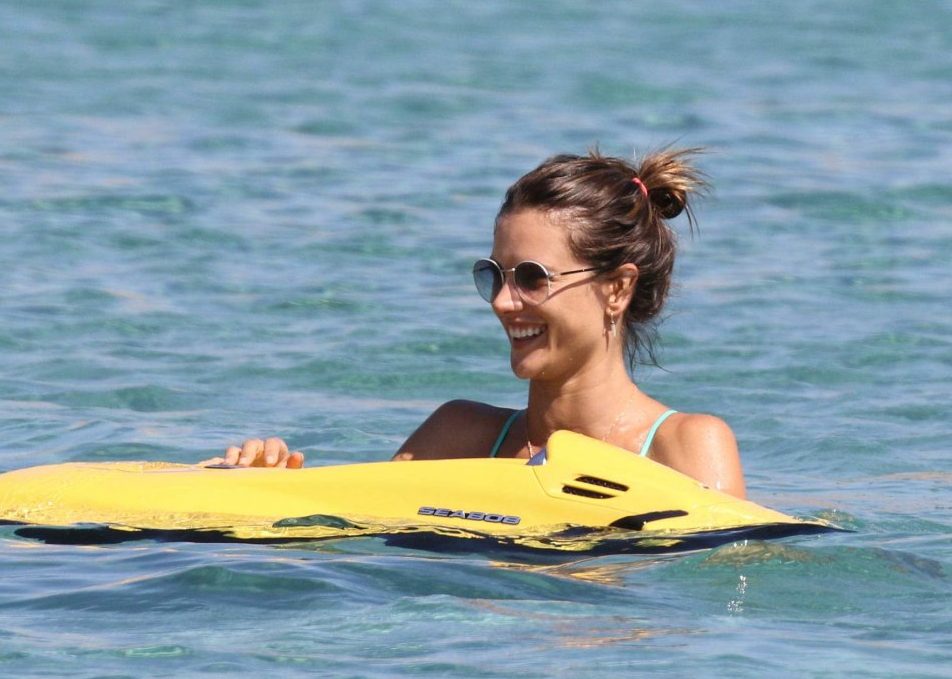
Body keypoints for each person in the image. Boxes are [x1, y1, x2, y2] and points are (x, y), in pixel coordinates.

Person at [203, 147, 747, 498]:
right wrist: (261, 489)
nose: (504, 302)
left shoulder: (685, 446)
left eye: (533, 277)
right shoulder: (458, 435)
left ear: (618, 288)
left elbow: (715, 590)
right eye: (494, 275)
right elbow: (358, 537)